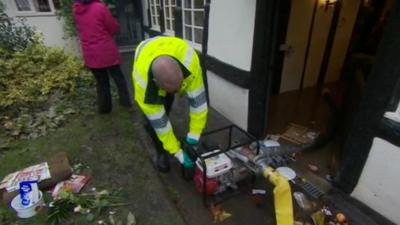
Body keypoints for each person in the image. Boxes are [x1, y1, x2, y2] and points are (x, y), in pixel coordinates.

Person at [132, 36, 208, 172]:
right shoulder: (143, 85)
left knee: (167, 104)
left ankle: (169, 99)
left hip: (172, 49)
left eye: (180, 87)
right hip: (146, 56)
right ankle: (161, 151)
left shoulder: (189, 61)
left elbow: (199, 104)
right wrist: (177, 153)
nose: (179, 93)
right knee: (153, 124)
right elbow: (161, 124)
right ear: (156, 83)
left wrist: (194, 135)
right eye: (174, 91)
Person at [73, 0, 131, 114]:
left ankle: (104, 109)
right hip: (106, 51)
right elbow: (114, 28)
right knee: (119, 78)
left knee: (101, 82)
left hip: (90, 53)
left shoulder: (76, 10)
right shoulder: (100, 7)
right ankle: (125, 102)